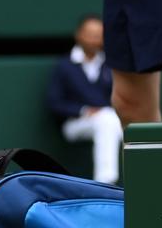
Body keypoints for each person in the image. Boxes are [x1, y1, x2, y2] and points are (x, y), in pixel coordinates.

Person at [47, 14, 122, 185]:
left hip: (109, 120)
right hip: (74, 124)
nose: (95, 40)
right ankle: (106, 182)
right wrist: (84, 110)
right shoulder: (65, 65)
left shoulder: (110, 64)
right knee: (107, 120)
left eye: (99, 35)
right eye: (90, 34)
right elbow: (54, 102)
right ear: (78, 35)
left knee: (113, 121)